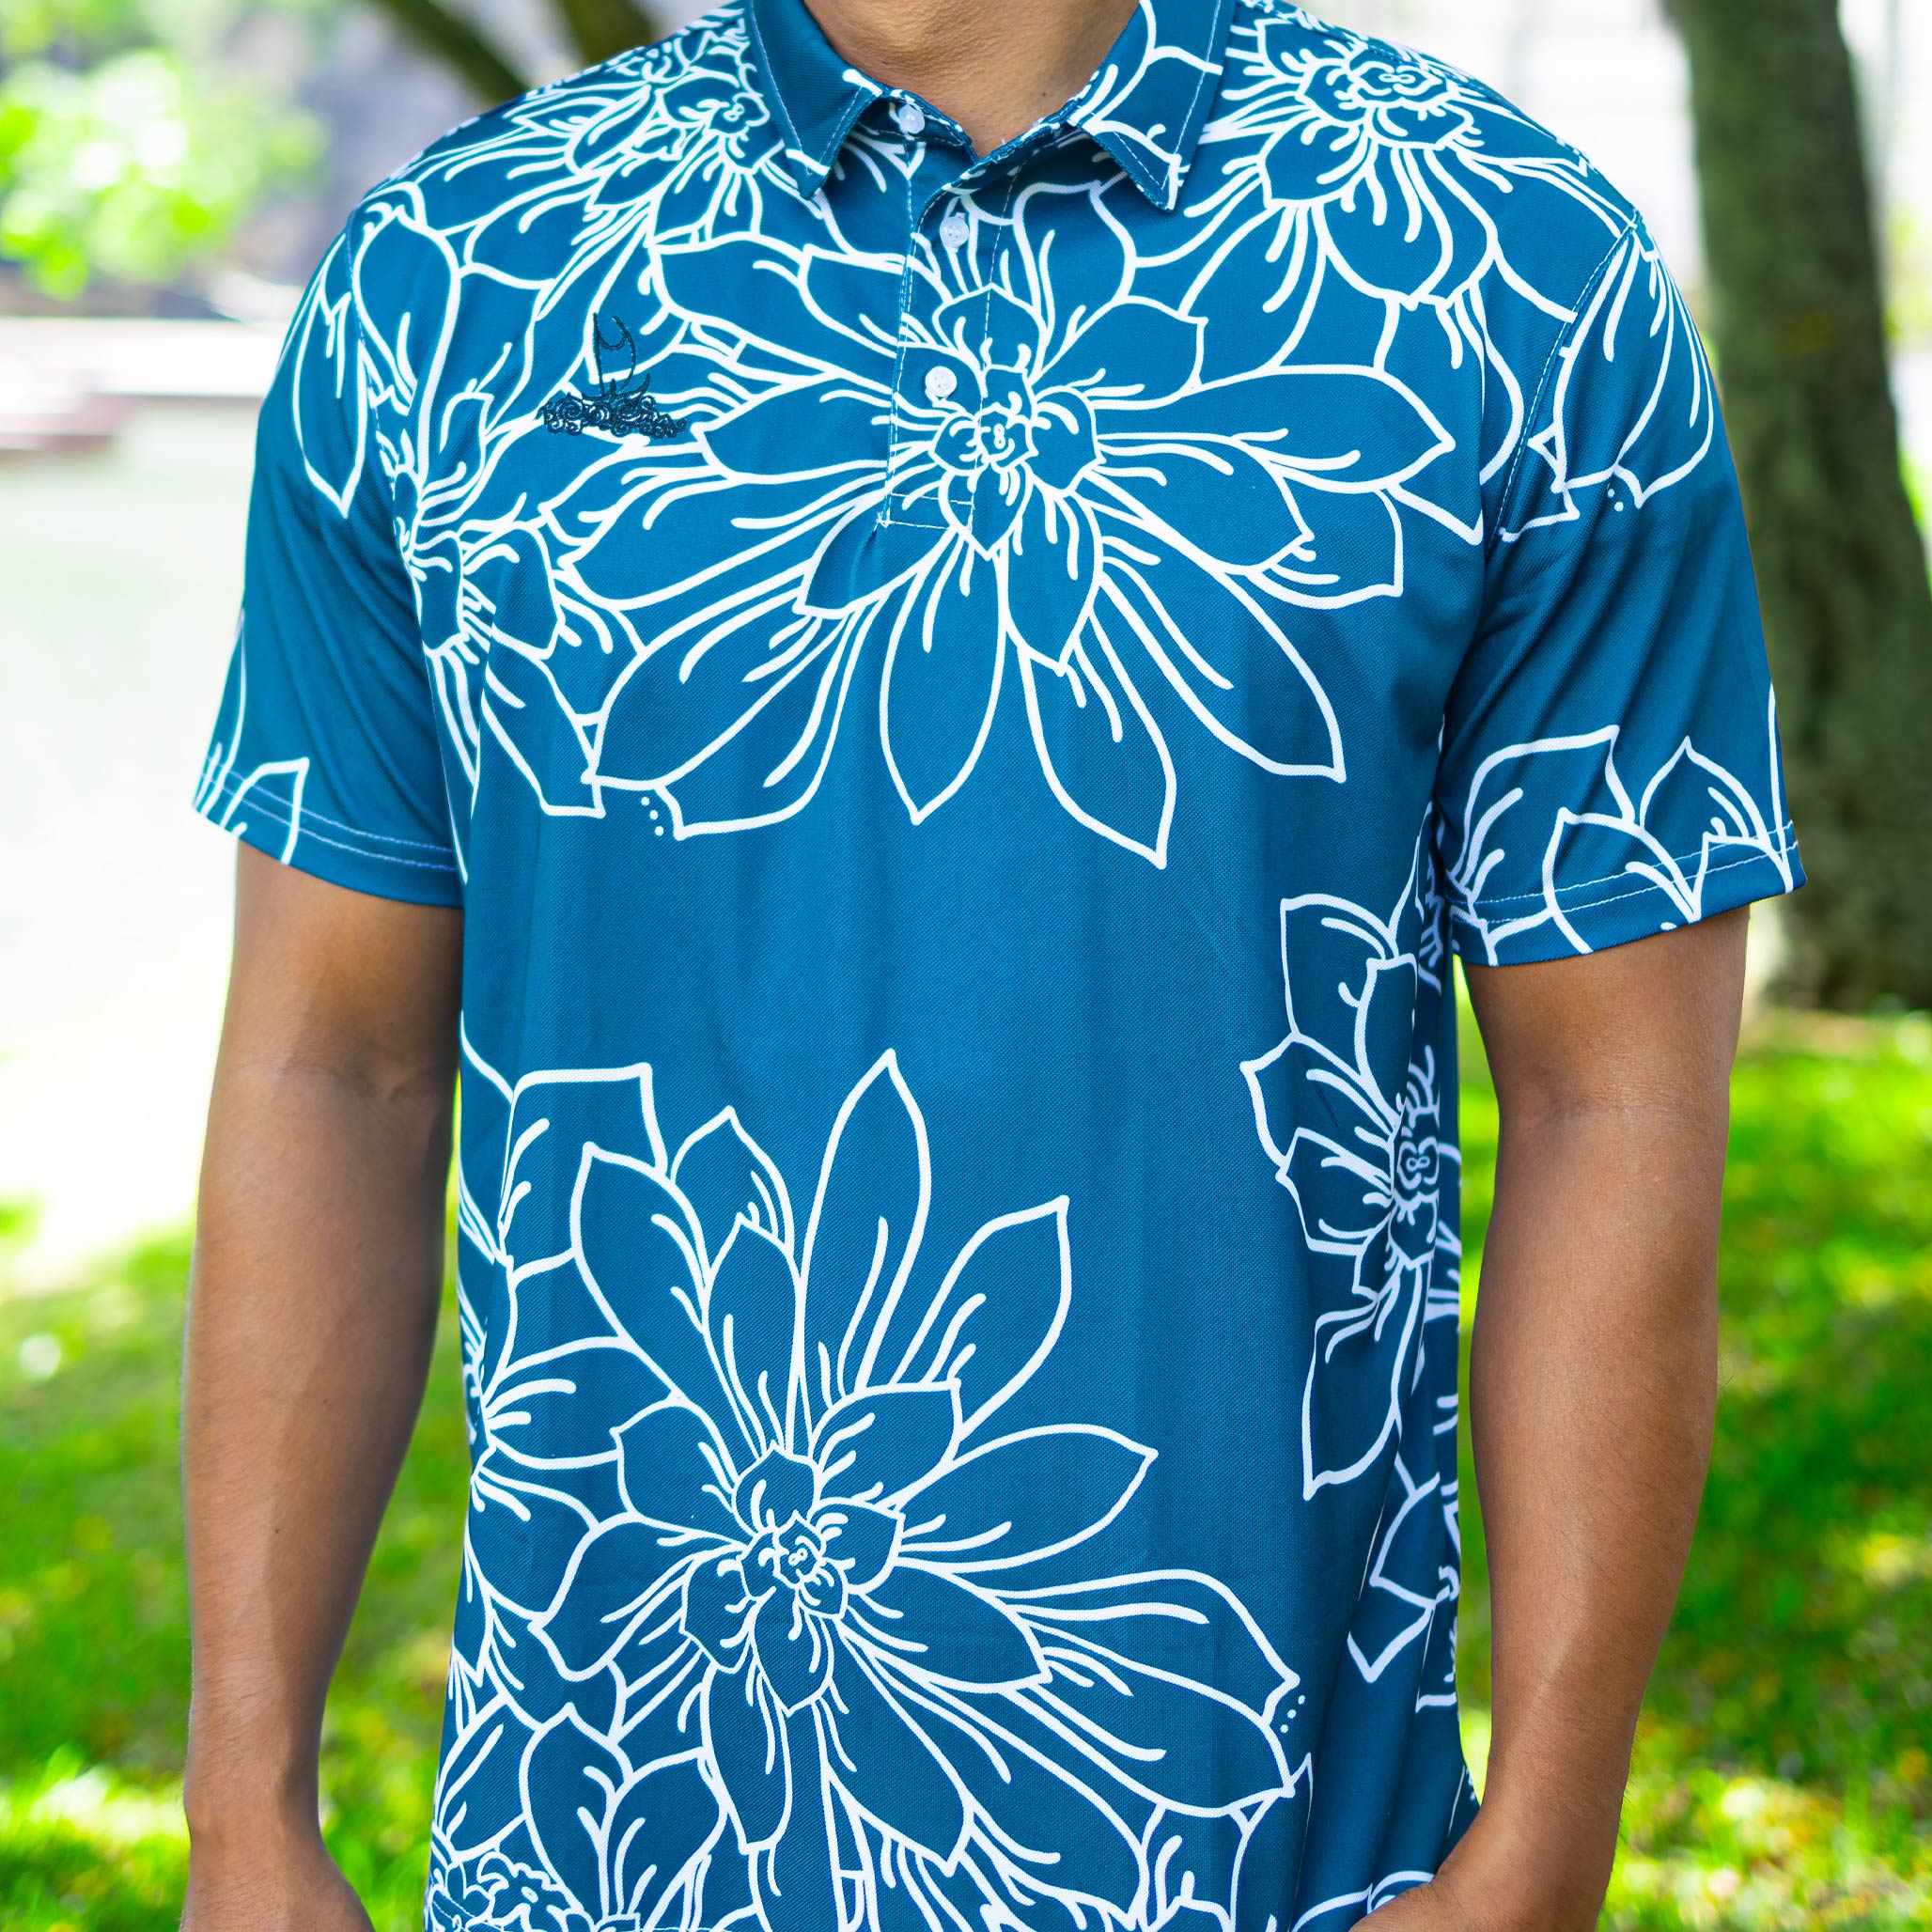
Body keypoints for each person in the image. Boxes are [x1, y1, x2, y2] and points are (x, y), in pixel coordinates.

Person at [178, 2, 1805, 1927]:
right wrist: (245, 1812)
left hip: (1272, 1857)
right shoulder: (446, 284)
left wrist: (1539, 1843)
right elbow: (331, 1061)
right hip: (599, 1845)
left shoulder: (1511, 266)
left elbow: (1607, 1088)